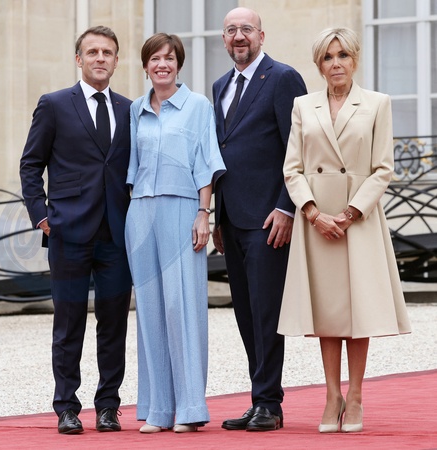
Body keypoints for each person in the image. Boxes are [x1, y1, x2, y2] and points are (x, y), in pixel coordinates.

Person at [278, 27, 411, 433]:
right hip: (317, 220)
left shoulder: (377, 104)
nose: (336, 63)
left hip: (359, 219)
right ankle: (331, 394)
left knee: (358, 308)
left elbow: (383, 168)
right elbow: (292, 168)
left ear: (355, 59)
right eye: (328, 57)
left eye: (343, 56)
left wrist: (351, 213)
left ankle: (355, 395)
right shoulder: (303, 105)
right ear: (319, 65)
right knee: (329, 309)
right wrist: (313, 213)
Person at [19, 25, 132, 435]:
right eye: (93, 52)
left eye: (107, 52)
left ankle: (108, 406)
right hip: (67, 232)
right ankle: (66, 406)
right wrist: (41, 215)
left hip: (117, 235)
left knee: (114, 324)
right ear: (79, 59)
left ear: (116, 61)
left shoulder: (129, 109)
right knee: (68, 324)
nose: (100, 58)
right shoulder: (54, 105)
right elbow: (31, 164)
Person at [211, 7, 307, 431]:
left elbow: (298, 148)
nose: (239, 36)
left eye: (246, 29)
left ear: (261, 36)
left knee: (266, 313)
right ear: (223, 38)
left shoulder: (283, 78)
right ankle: (259, 399)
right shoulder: (220, 86)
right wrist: (217, 217)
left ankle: (270, 403)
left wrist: (287, 207)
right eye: (231, 30)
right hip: (231, 219)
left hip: (270, 218)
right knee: (246, 314)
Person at [125, 33, 225, 434]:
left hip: (183, 208)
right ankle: (158, 408)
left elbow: (206, 162)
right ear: (145, 66)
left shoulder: (198, 106)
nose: (162, 64)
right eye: (155, 59)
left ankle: (190, 407)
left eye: (169, 58)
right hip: (140, 211)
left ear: (178, 64)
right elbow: (131, 167)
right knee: (149, 310)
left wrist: (204, 213)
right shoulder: (136, 109)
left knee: (181, 307)